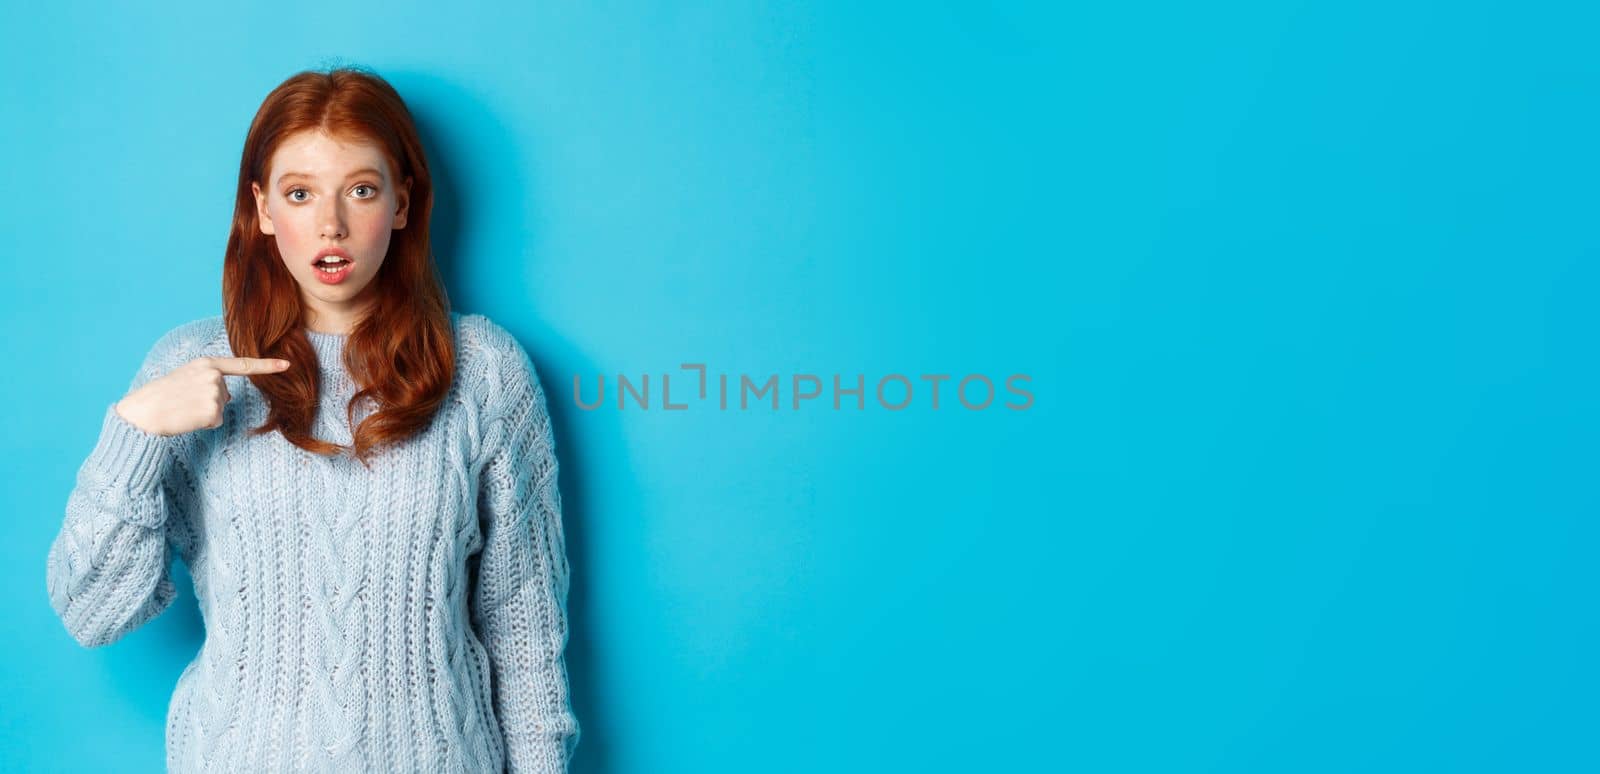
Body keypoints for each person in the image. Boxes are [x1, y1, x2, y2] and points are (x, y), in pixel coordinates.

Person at [44, 66, 580, 773]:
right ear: (263, 209)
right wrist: (134, 435)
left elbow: (524, 629)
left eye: (360, 189)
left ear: (401, 203)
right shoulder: (193, 365)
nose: (330, 224)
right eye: (300, 194)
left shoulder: (484, 370)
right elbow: (93, 613)